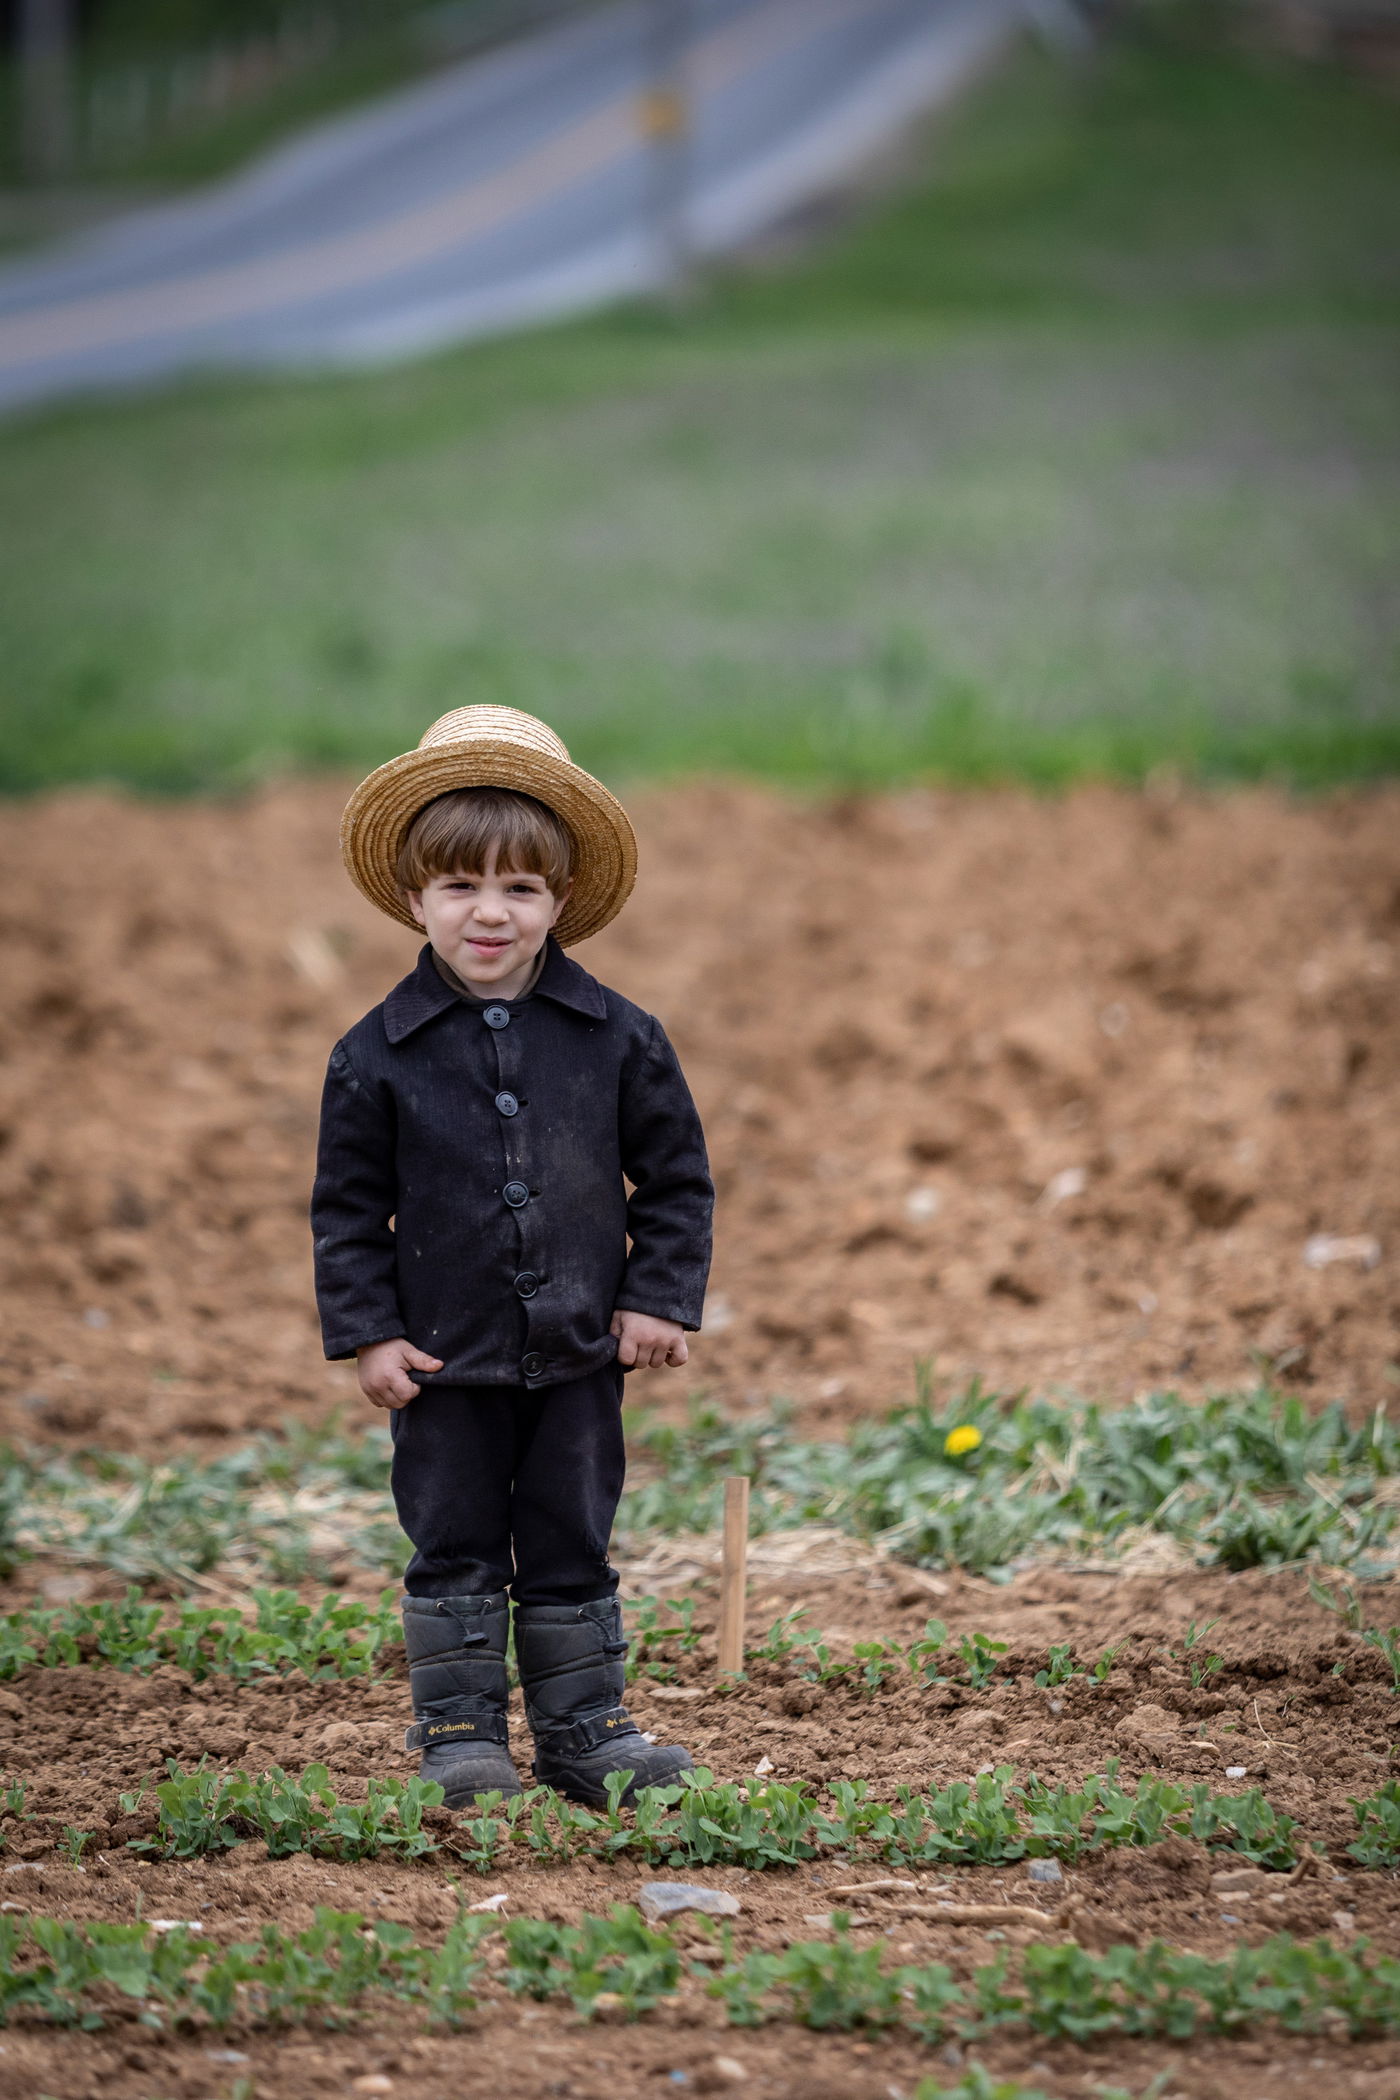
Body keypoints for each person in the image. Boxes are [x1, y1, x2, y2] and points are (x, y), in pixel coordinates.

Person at [311, 706, 713, 1809]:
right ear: (413, 897)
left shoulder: (621, 1038)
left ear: (561, 899)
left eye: (520, 889)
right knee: (451, 1543)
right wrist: (369, 1334)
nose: (489, 912)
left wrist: (656, 1299)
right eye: (459, 886)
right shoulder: (373, 1057)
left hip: (580, 1353)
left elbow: (674, 1182)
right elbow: (346, 1213)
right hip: (440, 1365)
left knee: (571, 1539)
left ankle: (586, 1736)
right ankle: (459, 1740)